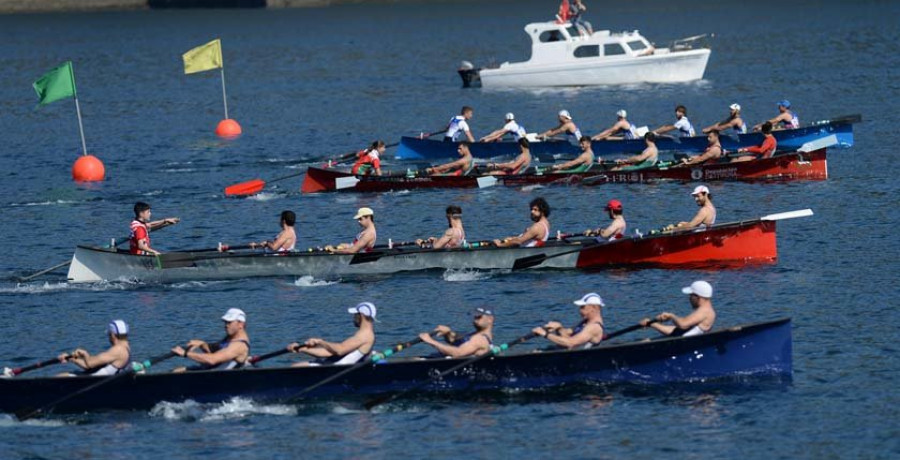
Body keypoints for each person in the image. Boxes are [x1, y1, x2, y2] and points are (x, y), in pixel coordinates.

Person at [288, 302, 377, 366]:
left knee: (296, 367)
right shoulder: (362, 334)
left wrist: (320, 342)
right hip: (333, 364)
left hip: (336, 369)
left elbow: (340, 350)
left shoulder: (364, 335)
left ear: (361, 315)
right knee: (297, 366)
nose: (353, 317)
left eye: (355, 314)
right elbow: (328, 352)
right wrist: (302, 349)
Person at [172, 308, 251, 371]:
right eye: (225, 322)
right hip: (210, 370)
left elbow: (212, 359)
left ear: (241, 324)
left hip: (216, 379)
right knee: (177, 370)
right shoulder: (230, 338)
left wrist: (185, 353)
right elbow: (213, 351)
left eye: (229, 322)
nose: (226, 325)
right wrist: (202, 344)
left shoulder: (239, 345)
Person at [641, 281, 716, 337]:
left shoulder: (704, 311)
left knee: (645, 342)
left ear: (698, 297)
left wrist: (671, 316)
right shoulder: (705, 310)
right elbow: (677, 330)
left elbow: (682, 324)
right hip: (681, 342)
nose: (689, 298)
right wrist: (652, 324)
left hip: (682, 346)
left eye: (690, 295)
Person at [532, 293, 605, 349]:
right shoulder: (585, 322)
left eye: (583, 307)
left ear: (594, 308)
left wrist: (545, 334)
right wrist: (559, 328)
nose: (580, 311)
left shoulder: (594, 327)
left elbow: (570, 343)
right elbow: (567, 335)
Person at [59, 320, 131, 376]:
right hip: (94, 378)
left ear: (113, 335)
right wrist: (71, 358)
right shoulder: (126, 347)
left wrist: (85, 354)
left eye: (109, 335)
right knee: (66, 374)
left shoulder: (118, 350)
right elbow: (88, 366)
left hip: (91, 382)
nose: (109, 338)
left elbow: (90, 363)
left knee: (61, 376)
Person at [420, 307, 494, 358]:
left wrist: (430, 341)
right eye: (474, 317)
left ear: (490, 319)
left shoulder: (479, 339)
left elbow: (458, 353)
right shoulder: (476, 335)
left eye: (479, 317)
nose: (475, 320)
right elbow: (455, 341)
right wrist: (448, 333)